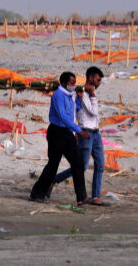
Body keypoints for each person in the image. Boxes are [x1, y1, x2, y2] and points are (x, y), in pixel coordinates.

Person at [29, 71, 91, 205]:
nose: (74, 85)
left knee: (78, 163)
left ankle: (81, 197)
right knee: (53, 165)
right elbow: (63, 116)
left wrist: (79, 99)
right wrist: (79, 131)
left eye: (74, 83)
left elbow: (73, 112)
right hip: (57, 132)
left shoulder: (70, 95)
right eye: (72, 83)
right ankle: (37, 193)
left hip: (67, 132)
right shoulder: (58, 95)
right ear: (64, 83)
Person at [53, 66, 110, 206]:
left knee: (100, 165)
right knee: (82, 166)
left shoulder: (88, 94)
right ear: (90, 78)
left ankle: (96, 196)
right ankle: (54, 180)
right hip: (86, 133)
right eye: (97, 80)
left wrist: (92, 95)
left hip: (96, 133)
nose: (98, 83)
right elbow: (93, 112)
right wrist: (93, 96)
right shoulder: (81, 92)